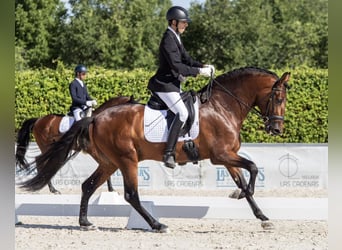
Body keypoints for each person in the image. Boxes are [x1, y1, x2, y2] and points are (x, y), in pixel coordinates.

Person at [147, 6, 215, 169]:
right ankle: (169, 153)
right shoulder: (167, 39)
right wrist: (199, 72)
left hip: (172, 85)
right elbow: (177, 66)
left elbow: (186, 59)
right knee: (182, 113)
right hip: (164, 86)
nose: (186, 25)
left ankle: (185, 144)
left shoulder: (175, 36)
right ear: (174, 22)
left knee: (191, 105)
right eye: (184, 22)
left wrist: (203, 65)